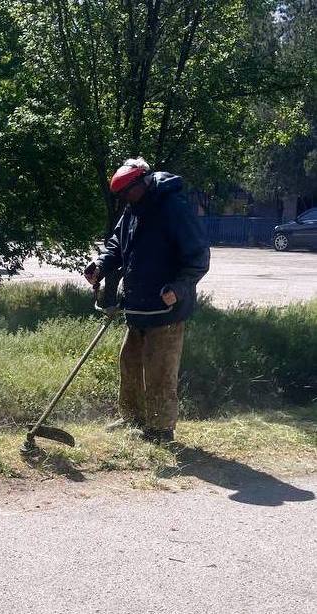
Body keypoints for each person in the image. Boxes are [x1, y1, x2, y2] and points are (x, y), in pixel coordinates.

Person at [84, 158, 210, 444]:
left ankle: (160, 430)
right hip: (137, 307)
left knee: (160, 372)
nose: (127, 198)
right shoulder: (133, 209)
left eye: (130, 192)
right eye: (123, 195)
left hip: (166, 310)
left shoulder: (173, 208)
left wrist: (179, 287)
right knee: (129, 363)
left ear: (144, 181)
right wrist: (101, 265)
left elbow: (199, 257)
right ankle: (131, 418)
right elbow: (117, 244)